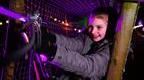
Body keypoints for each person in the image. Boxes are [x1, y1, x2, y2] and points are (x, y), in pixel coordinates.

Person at [39, 6, 118, 80]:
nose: (93, 31)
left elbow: (89, 66)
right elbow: (73, 44)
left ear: (110, 28)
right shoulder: (88, 37)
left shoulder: (112, 49)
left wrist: (53, 51)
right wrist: (51, 37)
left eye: (99, 27)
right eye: (91, 26)